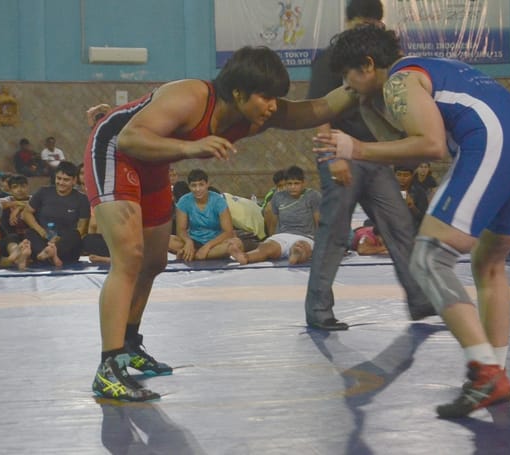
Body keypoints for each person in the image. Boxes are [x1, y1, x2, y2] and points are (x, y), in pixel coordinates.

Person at [84, 45, 357, 402]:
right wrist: (190, 148)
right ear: (239, 93)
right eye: (266, 97)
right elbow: (130, 138)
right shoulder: (191, 96)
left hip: (153, 161)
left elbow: (317, 109)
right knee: (130, 258)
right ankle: (108, 368)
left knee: (154, 262)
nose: (273, 106)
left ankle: (129, 345)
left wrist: (362, 83)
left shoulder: (256, 113)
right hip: (116, 151)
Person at [314, 25, 510, 417]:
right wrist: (367, 111)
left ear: (368, 65)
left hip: (494, 142)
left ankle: (485, 372)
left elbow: (431, 146)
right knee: (489, 263)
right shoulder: (423, 71)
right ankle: (495, 372)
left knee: (427, 257)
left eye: (347, 75)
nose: (346, 85)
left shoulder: (399, 81)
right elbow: (406, 149)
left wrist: (354, 147)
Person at [304, 0, 435, 332]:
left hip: (375, 154)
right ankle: (318, 309)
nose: (369, 30)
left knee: (400, 224)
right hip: (342, 152)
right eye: (364, 24)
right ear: (350, 23)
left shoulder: (383, 61)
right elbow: (319, 111)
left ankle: (420, 299)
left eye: (374, 25)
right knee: (335, 232)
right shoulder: (333, 59)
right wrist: (332, 158)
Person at [228, 165, 320, 266]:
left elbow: (319, 221)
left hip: (305, 237)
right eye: (289, 184)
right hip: (282, 236)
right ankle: (245, 257)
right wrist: (272, 238)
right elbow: (273, 222)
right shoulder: (278, 197)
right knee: (265, 248)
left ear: (303, 183)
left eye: (296, 183)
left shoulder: (313, 196)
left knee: (301, 247)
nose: (293, 187)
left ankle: (296, 255)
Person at [22, 161, 90, 267]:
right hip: (44, 238)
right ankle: (49, 255)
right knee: (30, 233)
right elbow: (26, 213)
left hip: (66, 245)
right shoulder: (43, 192)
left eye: (66, 180)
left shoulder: (82, 199)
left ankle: (51, 254)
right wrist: (42, 232)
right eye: (59, 178)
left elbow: (82, 229)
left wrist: (59, 241)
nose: (61, 182)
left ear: (74, 180)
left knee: (75, 235)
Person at [169, 169, 236, 261]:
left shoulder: (218, 201)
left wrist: (207, 246)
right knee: (167, 240)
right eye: (194, 185)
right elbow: (181, 230)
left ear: (207, 184)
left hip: (216, 243)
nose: (197, 189)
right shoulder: (184, 201)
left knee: (236, 243)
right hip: (194, 241)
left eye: (201, 185)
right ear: (189, 187)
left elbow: (228, 232)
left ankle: (192, 254)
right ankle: (197, 253)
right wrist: (188, 242)